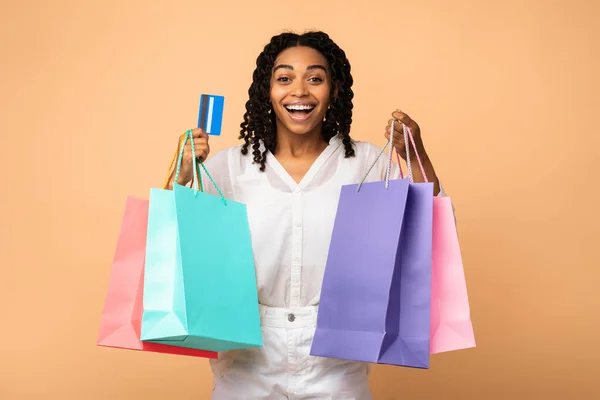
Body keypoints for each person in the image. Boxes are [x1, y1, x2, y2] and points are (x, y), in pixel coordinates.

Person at [166, 30, 447, 400]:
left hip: (337, 360)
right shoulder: (230, 167)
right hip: (247, 359)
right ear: (266, 91)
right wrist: (182, 176)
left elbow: (429, 230)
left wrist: (416, 156)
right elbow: (174, 246)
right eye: (284, 78)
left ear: (334, 90)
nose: (299, 91)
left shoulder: (366, 164)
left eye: (315, 78)